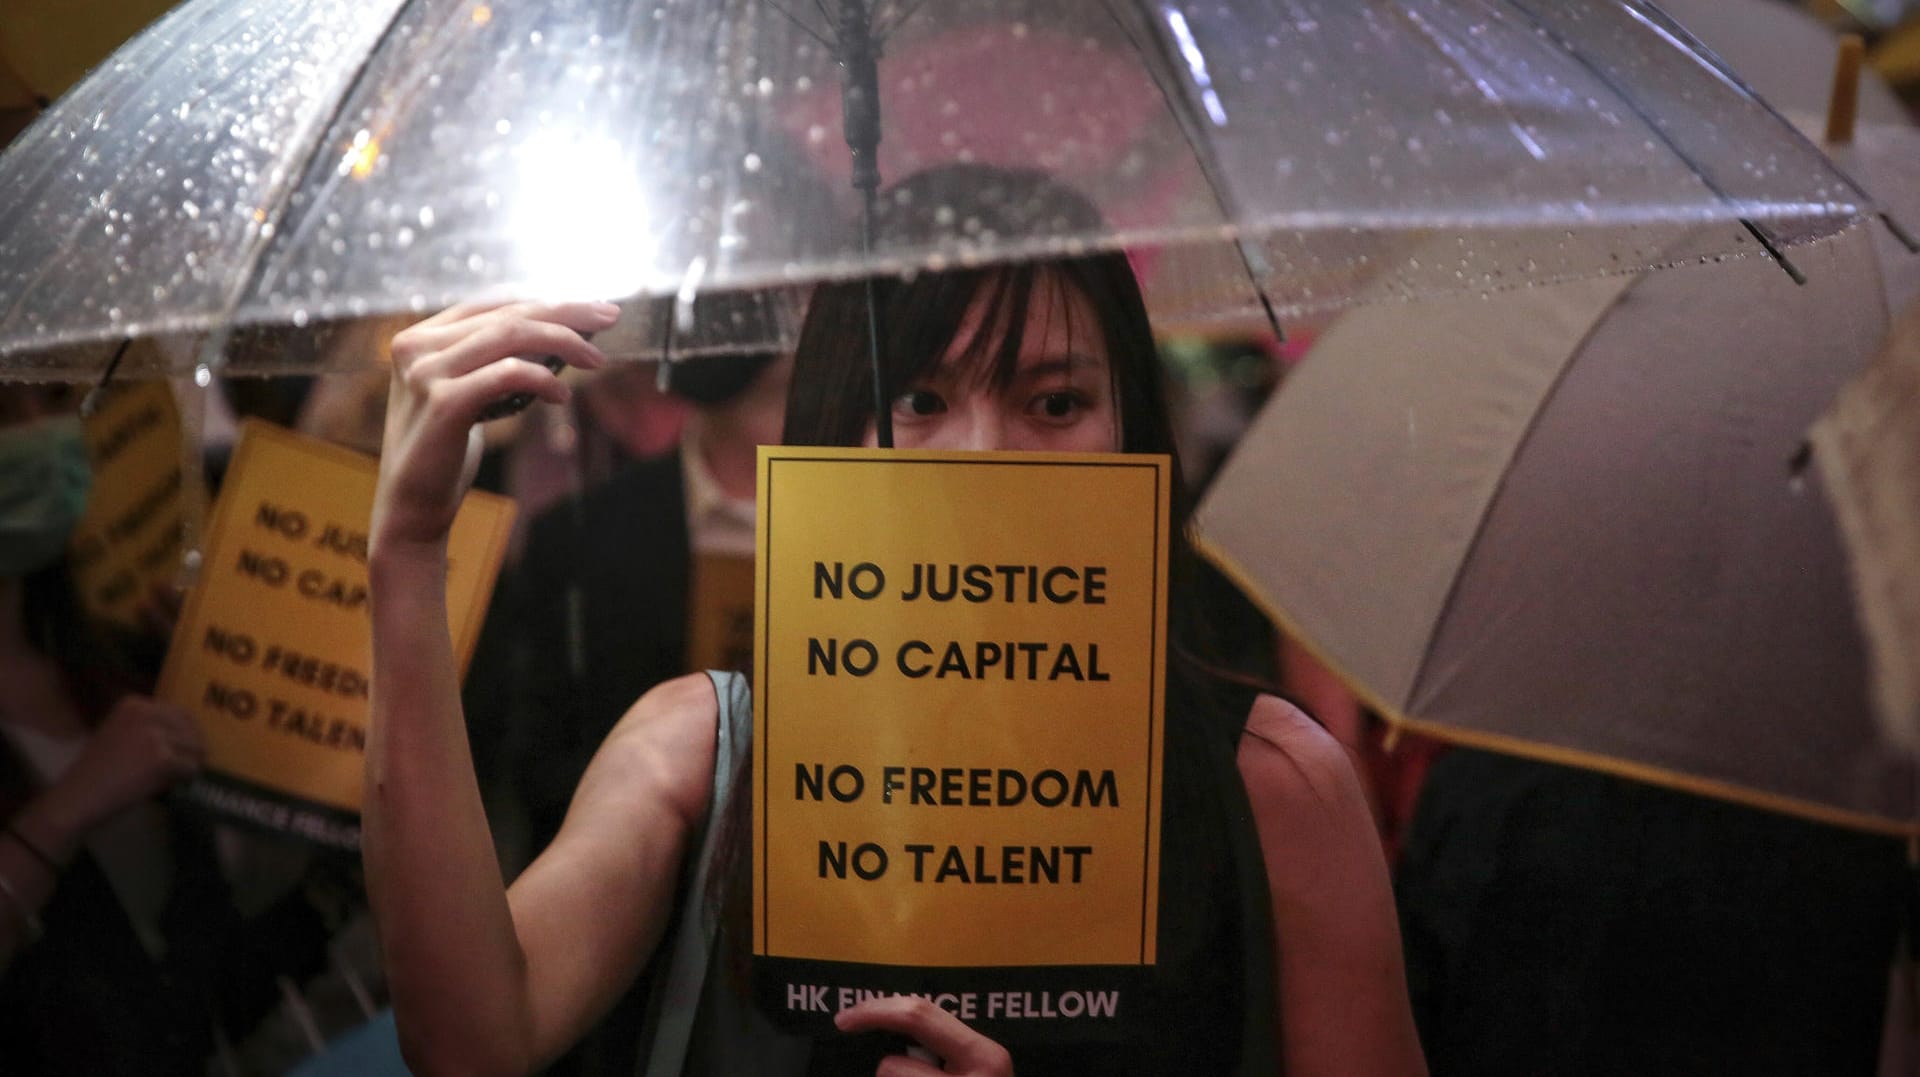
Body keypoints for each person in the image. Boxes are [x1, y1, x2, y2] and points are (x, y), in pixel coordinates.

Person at [364, 166, 1426, 1075]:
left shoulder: (1272, 784)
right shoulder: (701, 753)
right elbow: (474, 1040)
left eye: (1053, 405)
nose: (983, 460)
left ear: (1133, 434)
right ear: (837, 428)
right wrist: (408, 561)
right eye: (918, 401)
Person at [0, 381, 319, 1074]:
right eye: (0, 412)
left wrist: (228, 691)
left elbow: (251, 892)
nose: (37, 434)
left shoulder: (108, 662)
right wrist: (67, 809)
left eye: (52, 399)